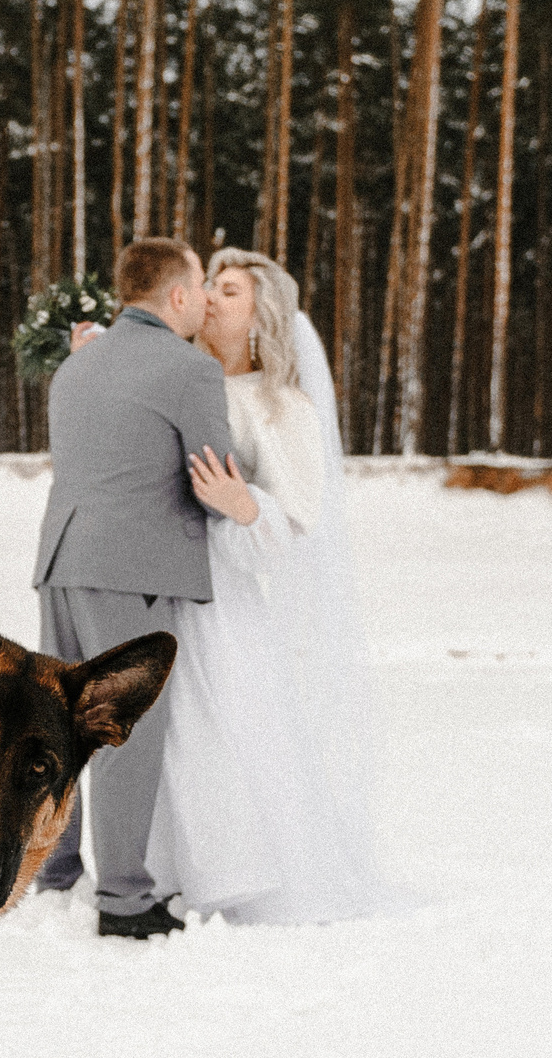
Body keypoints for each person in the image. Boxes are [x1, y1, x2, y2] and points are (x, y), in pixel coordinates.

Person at [141, 248, 387, 925]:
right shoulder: (178, 380)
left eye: (229, 290)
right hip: (155, 587)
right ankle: (159, 872)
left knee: (218, 730)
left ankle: (237, 875)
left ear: (261, 316)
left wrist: (243, 504)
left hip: (225, 598)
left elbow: (296, 522)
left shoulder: (284, 409)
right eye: (208, 287)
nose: (211, 298)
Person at [33, 237, 237, 939]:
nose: (208, 295)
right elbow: (217, 483)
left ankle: (54, 869)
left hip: (61, 559)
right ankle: (123, 899)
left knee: (57, 725)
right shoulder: (190, 370)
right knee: (126, 731)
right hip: (134, 570)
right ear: (176, 295)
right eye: (203, 283)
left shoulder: (76, 366)